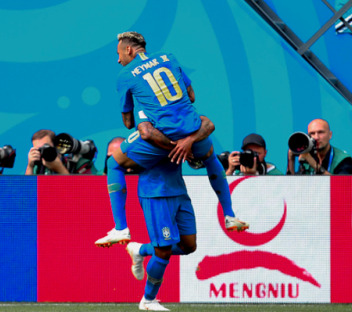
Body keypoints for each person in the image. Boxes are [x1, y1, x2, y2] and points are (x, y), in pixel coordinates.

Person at [95, 31, 248, 247]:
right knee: (211, 157)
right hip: (192, 130)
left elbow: (128, 123)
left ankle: (120, 228)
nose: (118, 59)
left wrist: (144, 110)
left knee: (113, 164)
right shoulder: (169, 56)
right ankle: (230, 214)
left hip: (164, 137)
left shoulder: (125, 75)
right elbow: (192, 96)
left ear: (128, 49)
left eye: (118, 53)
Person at [126, 159, 198, 311]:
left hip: (179, 191)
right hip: (156, 193)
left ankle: (140, 250)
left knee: (188, 246)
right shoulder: (145, 137)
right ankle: (148, 299)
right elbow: (118, 163)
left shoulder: (182, 135)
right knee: (163, 251)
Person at [287, 119, 352, 175]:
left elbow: (343, 187)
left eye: (320, 132)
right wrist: (291, 160)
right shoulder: (307, 155)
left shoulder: (344, 159)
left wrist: (313, 163)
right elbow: (292, 187)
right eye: (312, 133)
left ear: (330, 135)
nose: (316, 137)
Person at [25, 129, 98, 175]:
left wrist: (60, 169)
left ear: (56, 146)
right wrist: (30, 166)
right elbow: (26, 192)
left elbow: (87, 194)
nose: (43, 152)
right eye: (39, 150)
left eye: (46, 147)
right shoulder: (38, 168)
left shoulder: (80, 164)